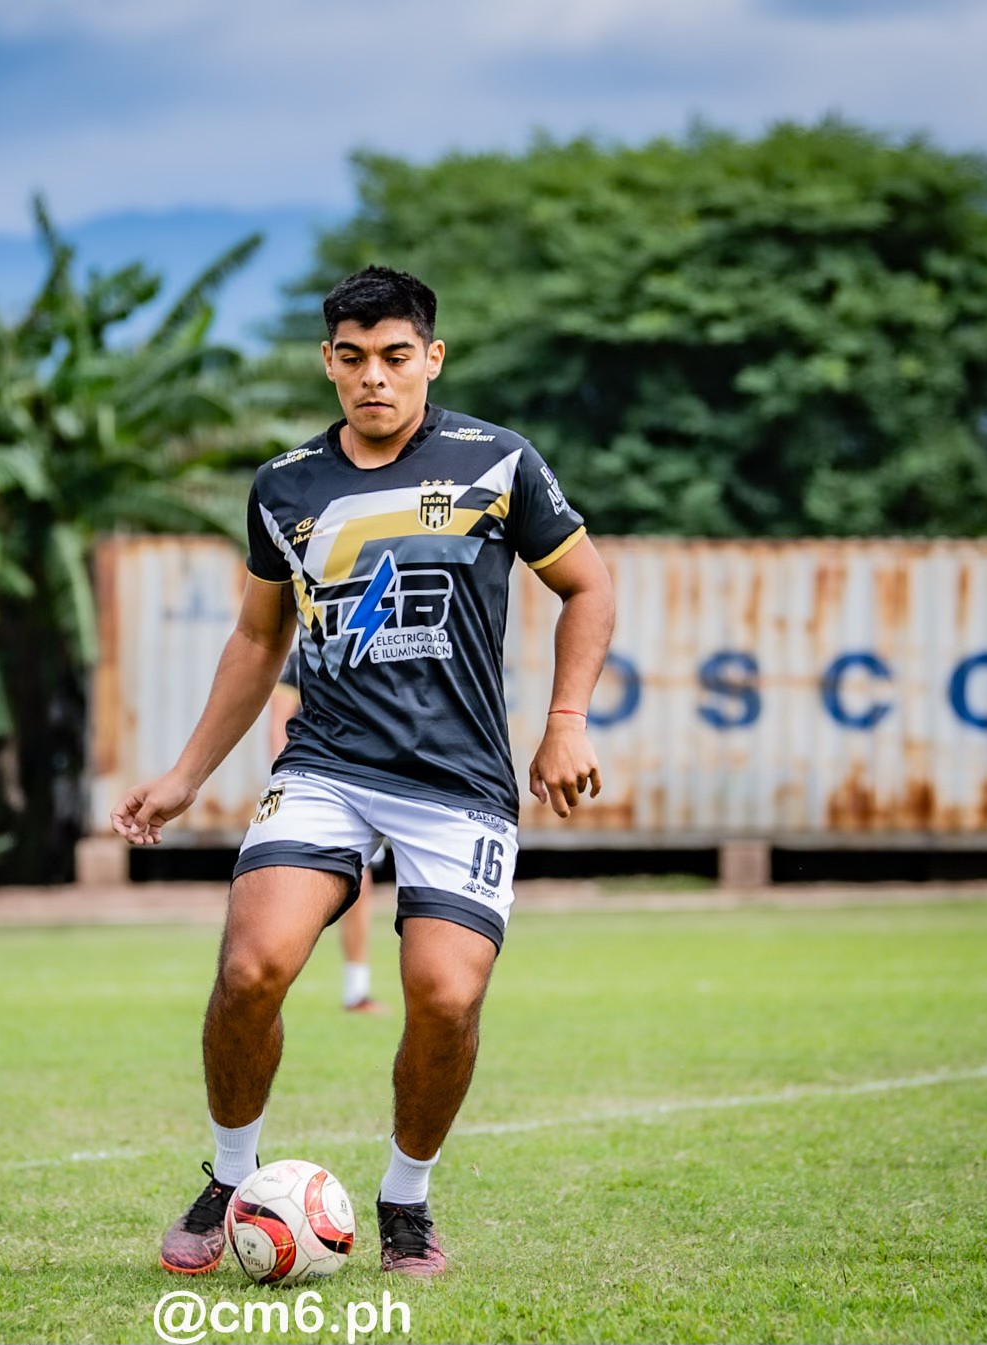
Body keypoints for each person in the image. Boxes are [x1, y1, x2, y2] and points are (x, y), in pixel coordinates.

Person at [111, 265, 614, 1279]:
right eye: (352, 359)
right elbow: (258, 642)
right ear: (328, 363)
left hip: (459, 778)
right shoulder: (285, 485)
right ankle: (229, 1176)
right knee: (251, 967)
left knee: (442, 996)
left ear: (431, 356)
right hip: (329, 765)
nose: (373, 378)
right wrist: (185, 773)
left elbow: (588, 585)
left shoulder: (498, 463)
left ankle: (406, 1201)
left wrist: (565, 719)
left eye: (395, 357)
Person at [268, 643, 384, 1014]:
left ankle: (356, 990)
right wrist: (283, 780)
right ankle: (271, 977)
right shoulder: (304, 656)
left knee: (360, 884)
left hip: (373, 781)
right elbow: (278, 720)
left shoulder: (380, 651)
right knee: (311, 884)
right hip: (317, 784)